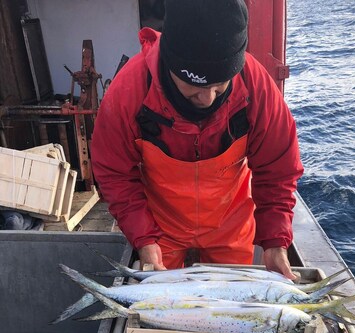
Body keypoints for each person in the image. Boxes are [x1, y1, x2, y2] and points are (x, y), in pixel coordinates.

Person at [91, 0, 303, 279]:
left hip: (230, 226)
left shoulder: (257, 88)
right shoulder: (127, 92)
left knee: (231, 309)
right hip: (160, 228)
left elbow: (277, 170)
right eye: (195, 85)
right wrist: (144, 238)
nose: (208, 98)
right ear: (170, 63)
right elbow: (115, 175)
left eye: (220, 84)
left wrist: (275, 241)